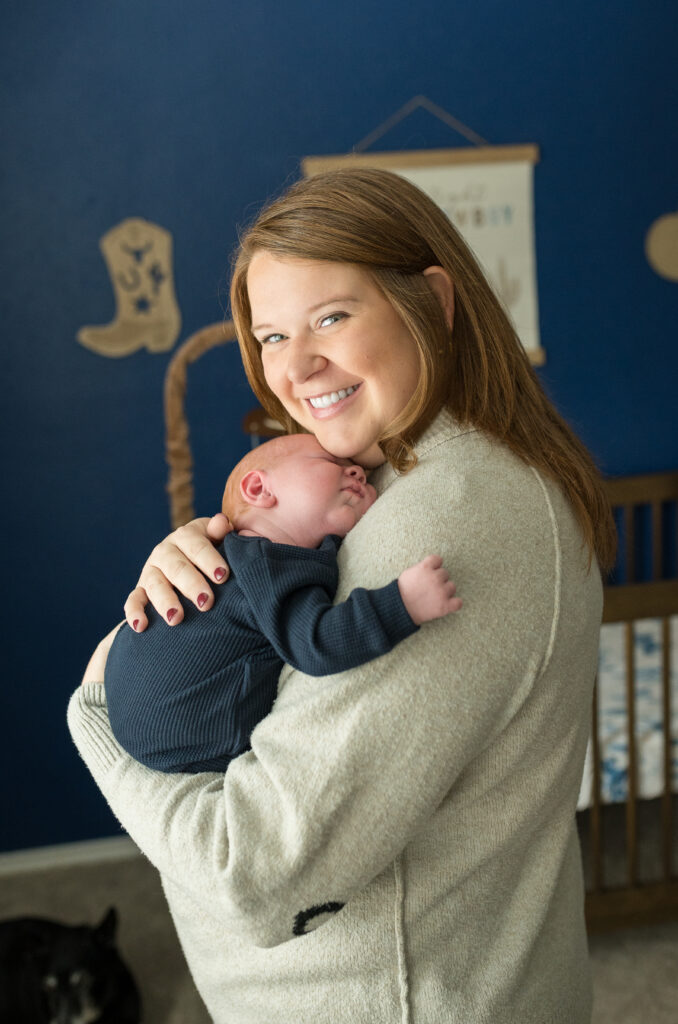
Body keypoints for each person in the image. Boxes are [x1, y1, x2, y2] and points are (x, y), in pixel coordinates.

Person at [69, 167, 616, 1024]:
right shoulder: (407, 478)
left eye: (331, 317)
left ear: (433, 301)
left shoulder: (441, 518)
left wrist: (98, 711)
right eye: (271, 335)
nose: (296, 367)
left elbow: (252, 872)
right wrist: (187, 611)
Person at [105, 433, 461, 773]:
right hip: (179, 733)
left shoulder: (245, 557)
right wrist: (402, 603)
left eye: (361, 472)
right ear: (259, 489)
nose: (356, 472)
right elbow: (315, 643)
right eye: (330, 462)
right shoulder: (267, 561)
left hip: (125, 700)